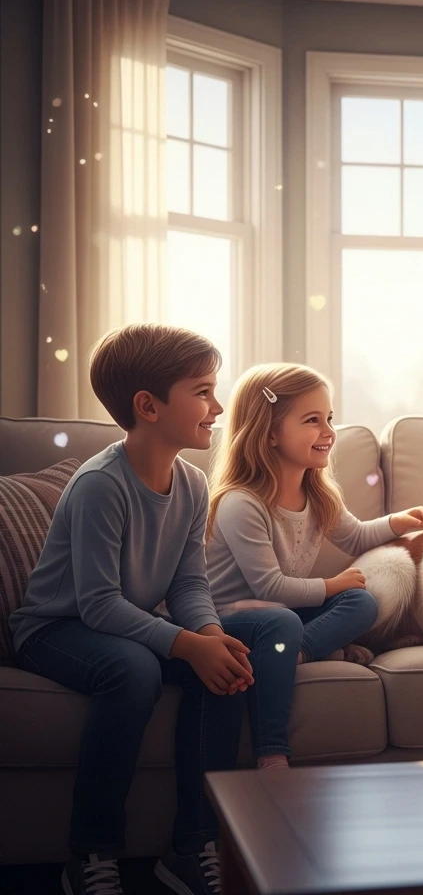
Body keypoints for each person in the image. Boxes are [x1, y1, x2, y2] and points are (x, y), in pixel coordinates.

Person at [9, 324, 270, 895]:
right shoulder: (101, 485)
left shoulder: (196, 484)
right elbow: (97, 604)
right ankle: (90, 854)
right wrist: (183, 644)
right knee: (134, 669)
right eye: (202, 392)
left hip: (120, 621)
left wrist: (207, 635)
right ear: (148, 406)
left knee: (225, 665)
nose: (217, 406)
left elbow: (189, 585)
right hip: (55, 626)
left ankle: (193, 845)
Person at [205, 362, 423, 770]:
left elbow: (356, 537)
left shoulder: (318, 493)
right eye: (312, 420)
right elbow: (269, 588)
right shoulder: (241, 502)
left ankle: (295, 653)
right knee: (314, 607)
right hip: (234, 618)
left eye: (329, 417)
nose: (329, 431)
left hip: (283, 619)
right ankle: (272, 753)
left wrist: (397, 522)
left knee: (362, 602)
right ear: (270, 432)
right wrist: (330, 585)